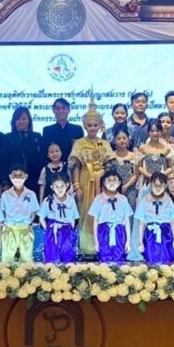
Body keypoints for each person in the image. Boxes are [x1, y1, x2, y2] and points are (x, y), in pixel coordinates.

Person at [70, 100, 114, 257]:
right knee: (86, 212)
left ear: (100, 125)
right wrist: (76, 185)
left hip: (102, 182)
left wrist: (106, 183)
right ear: (84, 126)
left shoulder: (105, 143)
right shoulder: (79, 143)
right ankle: (87, 247)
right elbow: (75, 165)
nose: (93, 128)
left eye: (96, 125)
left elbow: (110, 165)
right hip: (85, 180)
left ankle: (103, 246)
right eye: (90, 125)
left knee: (104, 212)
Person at [90, 170, 133, 264]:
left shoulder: (123, 199)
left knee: (120, 258)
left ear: (119, 182)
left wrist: (128, 241)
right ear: (104, 182)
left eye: (114, 180)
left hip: (119, 232)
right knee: (104, 258)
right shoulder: (98, 199)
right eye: (109, 180)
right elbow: (95, 221)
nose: (112, 182)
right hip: (103, 232)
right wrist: (96, 242)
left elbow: (126, 221)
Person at [135, 171, 174, 264]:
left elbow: (172, 221)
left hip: (166, 234)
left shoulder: (168, 200)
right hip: (150, 235)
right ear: (150, 185)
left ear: (165, 186)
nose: (158, 188)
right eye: (155, 185)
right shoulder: (145, 200)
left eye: (160, 185)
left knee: (166, 258)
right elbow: (141, 223)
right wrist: (140, 241)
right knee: (150, 257)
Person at [1, 163, 39, 262]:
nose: (17, 178)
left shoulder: (31, 194)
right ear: (10, 177)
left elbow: (34, 212)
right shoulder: (5, 195)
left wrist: (28, 222)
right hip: (9, 229)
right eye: (15, 175)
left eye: (20, 175)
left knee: (26, 257)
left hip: (25, 229)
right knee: (7, 257)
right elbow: (2, 211)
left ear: (26, 176)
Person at [39, 172, 79, 263]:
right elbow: (41, 217)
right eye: (56, 186)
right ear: (52, 187)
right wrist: (48, 230)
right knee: (51, 254)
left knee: (67, 254)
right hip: (53, 231)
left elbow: (73, 218)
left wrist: (71, 230)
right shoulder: (48, 200)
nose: (59, 189)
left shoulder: (71, 200)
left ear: (67, 185)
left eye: (62, 186)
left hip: (67, 230)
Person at [4, 106, 45, 191]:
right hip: (13, 179)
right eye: (18, 119)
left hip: (34, 179)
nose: (21, 121)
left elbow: (41, 159)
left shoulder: (37, 137)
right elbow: (4, 160)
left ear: (29, 120)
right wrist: (5, 182)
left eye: (23, 118)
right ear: (14, 121)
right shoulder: (7, 137)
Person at [105, 131, 139, 208]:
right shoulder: (110, 156)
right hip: (113, 187)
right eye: (119, 139)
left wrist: (126, 186)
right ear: (114, 141)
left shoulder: (134, 156)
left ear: (128, 140)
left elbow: (135, 175)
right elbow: (107, 174)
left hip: (130, 188)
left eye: (124, 138)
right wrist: (115, 186)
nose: (122, 141)